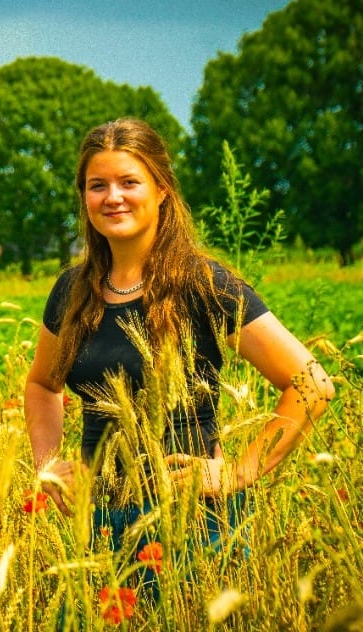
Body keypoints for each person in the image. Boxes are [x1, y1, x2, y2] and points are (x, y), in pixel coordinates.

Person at [24, 118, 333, 584]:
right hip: (101, 522)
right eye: (97, 185)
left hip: (196, 523)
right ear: (83, 196)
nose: (113, 197)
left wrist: (238, 473)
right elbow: (41, 384)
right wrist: (47, 466)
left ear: (162, 190)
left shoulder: (204, 284)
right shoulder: (72, 290)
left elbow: (312, 384)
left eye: (130, 182)